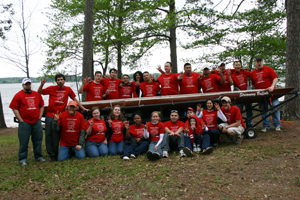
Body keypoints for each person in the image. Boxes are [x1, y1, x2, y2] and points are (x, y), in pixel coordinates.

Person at [38, 73, 87, 161]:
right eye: (58, 80)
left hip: (61, 116)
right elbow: (39, 92)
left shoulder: (68, 89)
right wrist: (41, 85)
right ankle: (51, 154)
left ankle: (58, 152)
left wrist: (82, 108)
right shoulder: (52, 88)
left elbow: (74, 99)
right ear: (56, 81)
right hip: (50, 115)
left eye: (61, 79)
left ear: (64, 80)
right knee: (49, 135)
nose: (60, 81)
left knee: (57, 135)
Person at [9, 78, 45, 166]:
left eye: (29, 84)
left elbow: (41, 106)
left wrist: (39, 117)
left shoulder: (37, 95)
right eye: (26, 84)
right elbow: (14, 108)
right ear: (23, 85)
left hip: (36, 122)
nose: (28, 85)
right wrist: (21, 120)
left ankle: (38, 156)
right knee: (24, 142)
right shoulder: (18, 95)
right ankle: (22, 159)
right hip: (25, 123)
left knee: (38, 140)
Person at [250, 57, 281, 132]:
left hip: (271, 94)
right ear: (255, 63)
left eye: (260, 61)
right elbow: (253, 85)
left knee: (275, 107)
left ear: (262, 62)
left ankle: (277, 125)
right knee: (263, 110)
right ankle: (266, 126)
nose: (259, 63)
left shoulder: (268, 69)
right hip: (261, 95)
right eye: (257, 62)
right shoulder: (253, 73)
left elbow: (275, 78)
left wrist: (272, 86)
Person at [230, 60, 253, 127]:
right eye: (236, 65)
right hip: (238, 96)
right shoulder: (232, 73)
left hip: (247, 94)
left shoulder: (244, 72)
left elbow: (252, 75)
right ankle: (240, 125)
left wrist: (253, 85)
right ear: (234, 66)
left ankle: (250, 124)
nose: (237, 66)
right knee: (239, 112)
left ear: (241, 66)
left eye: (239, 65)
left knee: (249, 110)